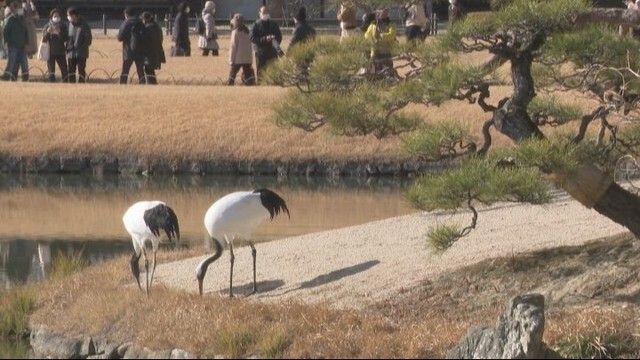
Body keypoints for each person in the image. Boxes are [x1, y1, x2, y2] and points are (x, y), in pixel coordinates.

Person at [250, 5, 282, 83]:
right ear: (259, 13)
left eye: (267, 12)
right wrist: (264, 39)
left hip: (272, 51)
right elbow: (252, 38)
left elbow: (279, 36)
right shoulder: (256, 25)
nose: (266, 14)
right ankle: (261, 83)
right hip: (260, 52)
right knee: (261, 70)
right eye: (264, 12)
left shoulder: (273, 24)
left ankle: (276, 83)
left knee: (274, 69)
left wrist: (274, 40)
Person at [364, 9, 396, 77]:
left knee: (388, 70)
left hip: (386, 51)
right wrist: (372, 39)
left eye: (383, 13)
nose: (379, 15)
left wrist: (381, 36)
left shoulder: (390, 24)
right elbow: (366, 35)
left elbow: (392, 34)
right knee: (375, 70)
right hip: (375, 51)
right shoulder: (373, 25)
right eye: (378, 13)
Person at [117, 6, 145, 84]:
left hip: (128, 51)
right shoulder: (140, 22)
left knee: (125, 71)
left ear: (126, 15)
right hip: (140, 50)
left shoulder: (126, 23)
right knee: (140, 71)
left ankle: (123, 84)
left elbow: (120, 37)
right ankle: (143, 85)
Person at [2, 1, 28, 81]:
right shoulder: (10, 20)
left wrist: (26, 42)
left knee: (24, 62)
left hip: (22, 45)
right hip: (12, 46)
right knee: (12, 62)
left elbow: (26, 32)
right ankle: (7, 76)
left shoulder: (23, 20)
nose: (19, 10)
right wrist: (9, 43)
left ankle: (25, 77)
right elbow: (5, 32)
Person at [227, 13, 254, 86]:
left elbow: (233, 47)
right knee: (248, 74)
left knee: (232, 74)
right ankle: (250, 85)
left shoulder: (235, 32)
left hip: (237, 58)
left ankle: (229, 85)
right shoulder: (248, 31)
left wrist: (231, 60)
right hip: (247, 58)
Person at [41, 8, 68, 82]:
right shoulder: (47, 26)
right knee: (51, 70)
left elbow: (66, 38)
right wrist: (48, 32)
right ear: (51, 17)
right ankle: (51, 82)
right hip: (50, 52)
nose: (56, 18)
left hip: (60, 51)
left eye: (58, 16)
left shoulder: (63, 26)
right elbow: (44, 39)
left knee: (64, 69)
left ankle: (65, 82)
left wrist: (59, 33)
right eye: (55, 16)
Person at [66, 6, 91, 83]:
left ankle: (81, 84)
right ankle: (71, 84)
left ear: (74, 15)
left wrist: (80, 48)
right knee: (71, 70)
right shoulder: (70, 25)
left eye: (69, 15)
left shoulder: (84, 25)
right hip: (71, 52)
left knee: (81, 70)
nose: (68, 17)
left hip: (81, 53)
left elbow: (88, 39)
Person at [141, 11, 164, 85]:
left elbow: (145, 41)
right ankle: (153, 84)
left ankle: (152, 84)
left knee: (149, 70)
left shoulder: (148, 28)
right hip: (157, 51)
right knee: (150, 70)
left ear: (145, 19)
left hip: (149, 53)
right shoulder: (156, 27)